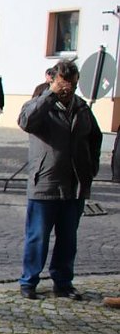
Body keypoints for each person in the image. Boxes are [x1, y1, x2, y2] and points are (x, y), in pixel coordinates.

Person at [17, 60, 102, 301]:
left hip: (74, 186)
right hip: (45, 183)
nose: (68, 89)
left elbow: (94, 139)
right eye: (63, 84)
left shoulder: (82, 108)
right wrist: (49, 95)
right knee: (37, 237)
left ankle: (63, 283)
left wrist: (90, 168)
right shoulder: (39, 104)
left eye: (72, 84)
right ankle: (29, 282)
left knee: (68, 239)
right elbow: (25, 122)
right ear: (52, 81)